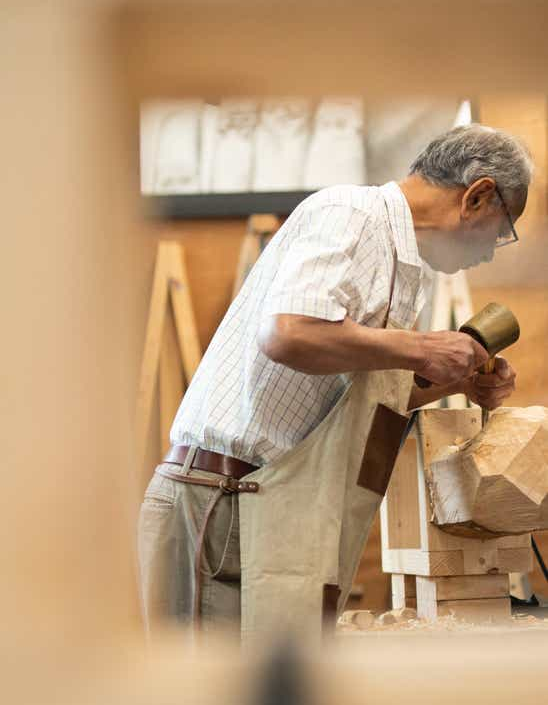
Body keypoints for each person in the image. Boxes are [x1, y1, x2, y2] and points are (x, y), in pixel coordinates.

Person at [138, 123, 533, 640]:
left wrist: (455, 381)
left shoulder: (401, 262)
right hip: (221, 498)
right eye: (501, 231)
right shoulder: (351, 214)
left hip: (268, 502)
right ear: (478, 196)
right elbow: (289, 334)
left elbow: (360, 394)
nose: (489, 253)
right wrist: (422, 346)